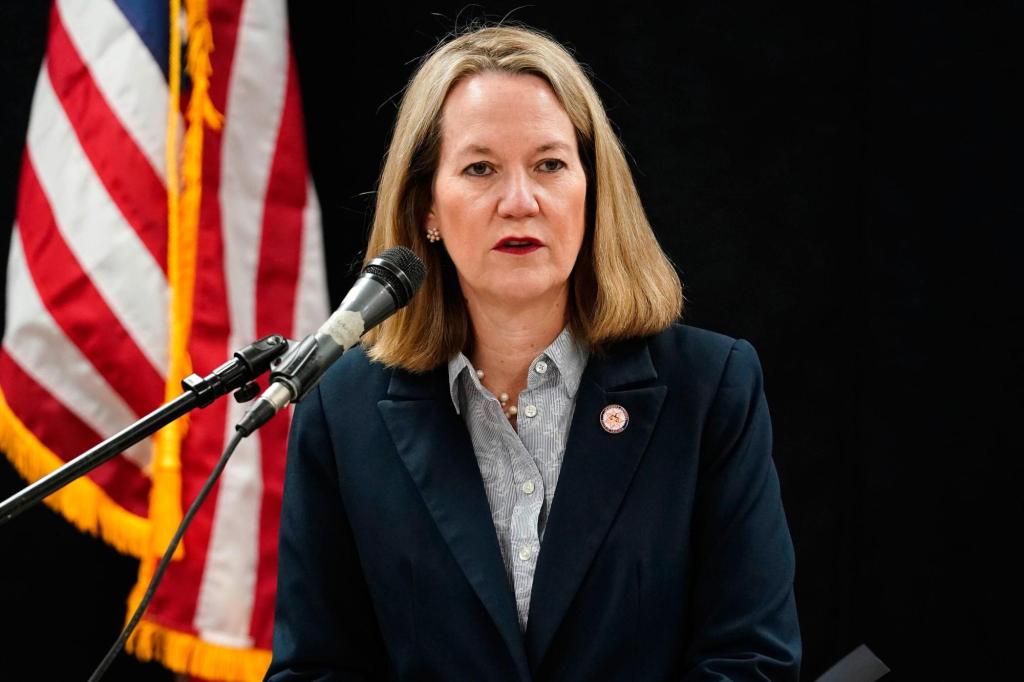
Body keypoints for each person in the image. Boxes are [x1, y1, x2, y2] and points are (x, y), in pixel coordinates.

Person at [267, 23, 800, 681]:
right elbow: (315, 668)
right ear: (428, 208)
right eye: (480, 168)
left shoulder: (711, 388)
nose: (520, 202)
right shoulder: (341, 409)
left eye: (549, 164)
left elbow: (751, 658)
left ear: (592, 191)